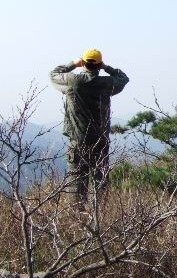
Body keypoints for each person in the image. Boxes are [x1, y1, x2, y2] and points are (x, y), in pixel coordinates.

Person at [49, 48, 129, 201]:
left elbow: (53, 74)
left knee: (76, 183)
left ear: (84, 63)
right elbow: (123, 78)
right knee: (100, 182)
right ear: (99, 65)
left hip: (78, 140)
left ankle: (76, 213)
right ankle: (100, 212)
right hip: (101, 140)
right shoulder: (106, 83)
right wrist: (106, 67)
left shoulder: (73, 81)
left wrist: (73, 64)